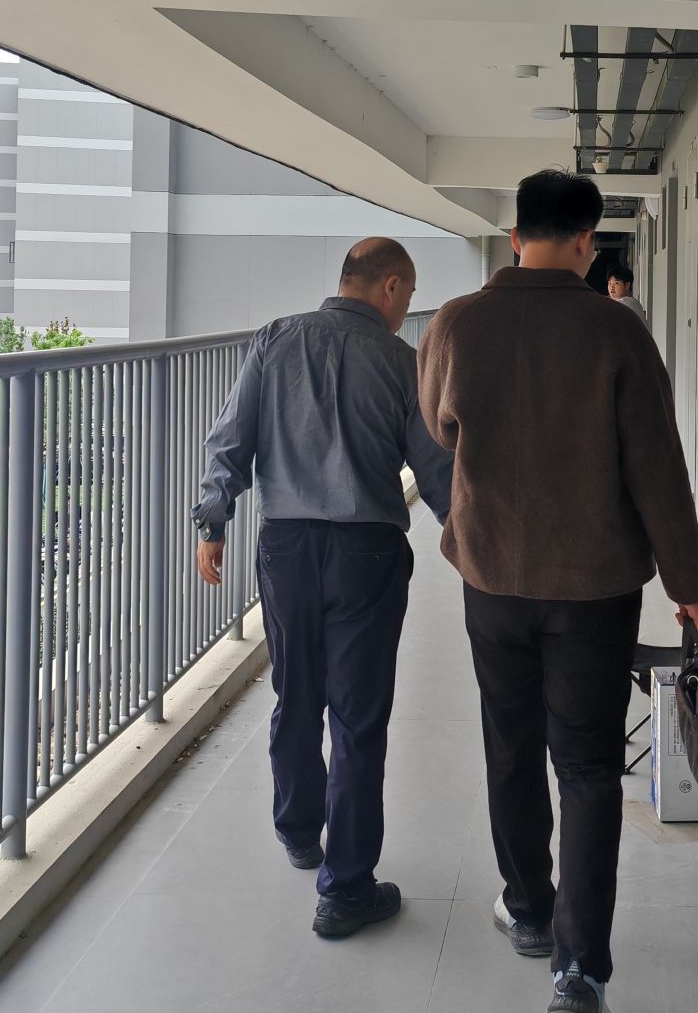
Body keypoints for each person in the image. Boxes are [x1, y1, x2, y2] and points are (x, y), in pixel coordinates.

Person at [418, 171, 698, 1013]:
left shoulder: (455, 323)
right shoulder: (616, 331)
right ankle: (579, 971)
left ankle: (528, 908)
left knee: (510, 747)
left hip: (493, 577)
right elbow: (657, 465)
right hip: (594, 587)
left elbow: (439, 425)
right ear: (586, 241)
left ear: (515, 237)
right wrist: (688, 583)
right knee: (586, 767)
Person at [196, 237, 453, 941]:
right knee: (358, 718)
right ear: (391, 288)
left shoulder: (275, 339)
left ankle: (299, 829)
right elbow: (436, 471)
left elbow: (232, 436)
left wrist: (213, 519)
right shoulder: (402, 362)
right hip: (366, 554)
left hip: (286, 547)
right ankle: (345, 888)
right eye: (407, 295)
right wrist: (471, 545)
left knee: (296, 692)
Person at [603, 263, 649, 329]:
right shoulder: (632, 302)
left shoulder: (627, 303)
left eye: (616, 283)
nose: (611, 287)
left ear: (627, 285)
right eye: (609, 283)